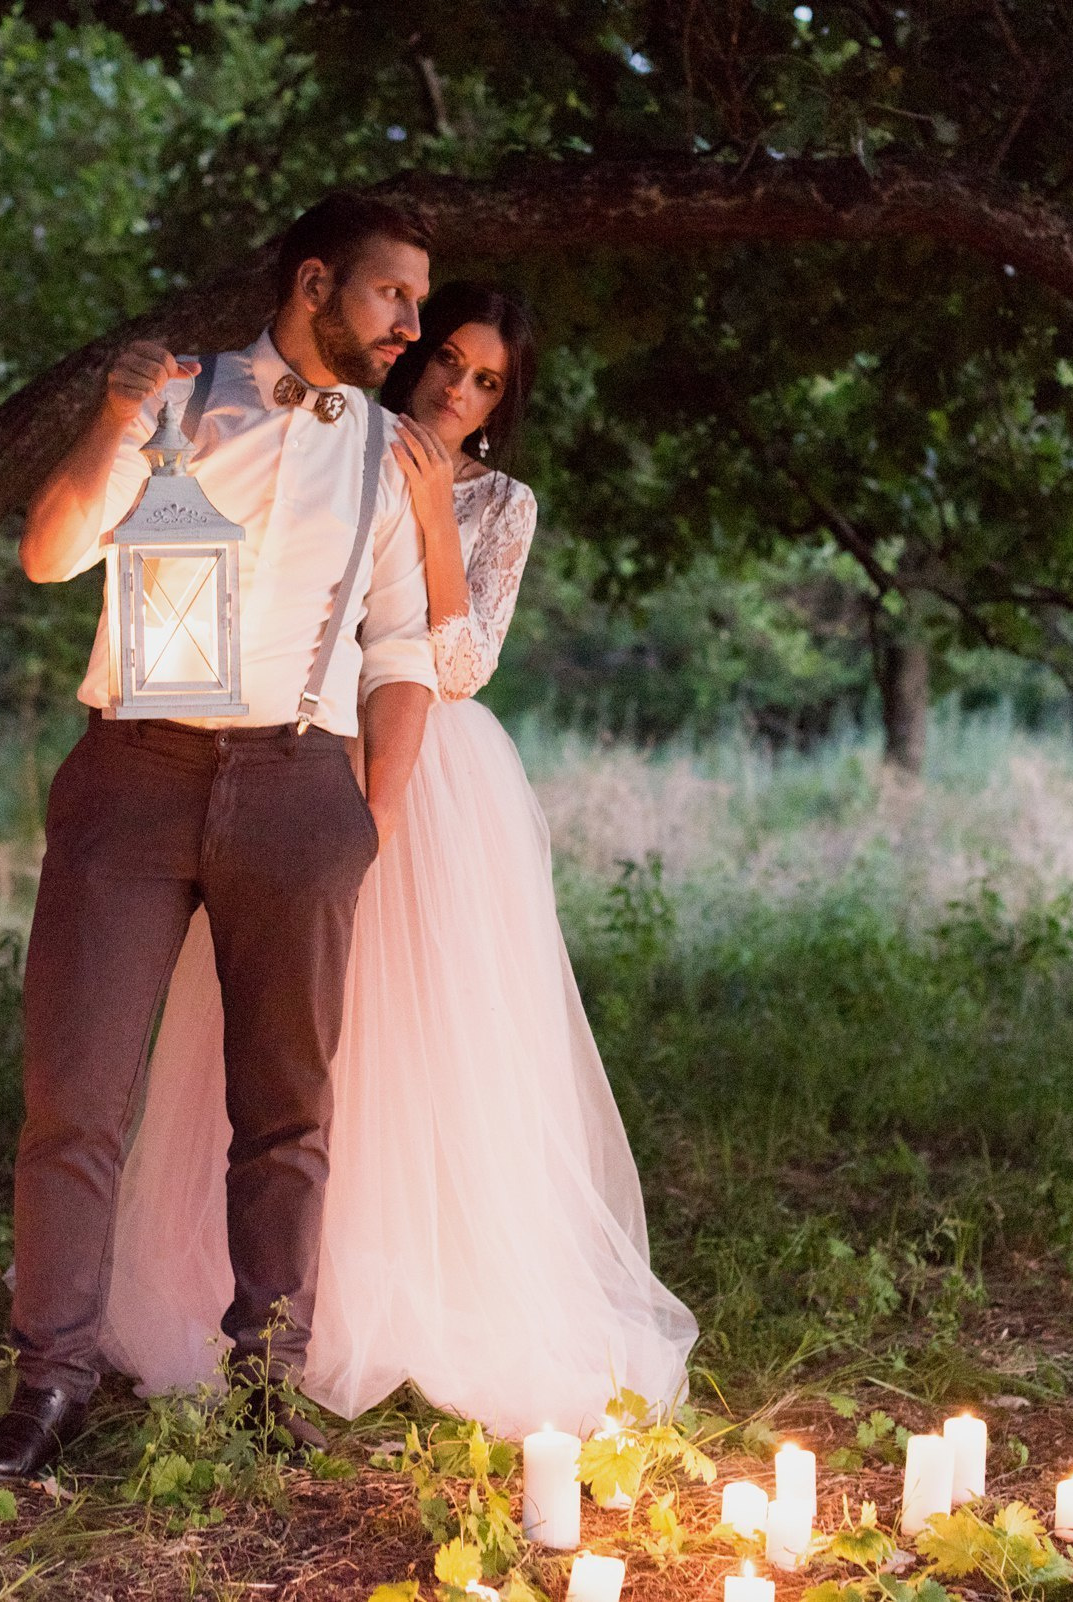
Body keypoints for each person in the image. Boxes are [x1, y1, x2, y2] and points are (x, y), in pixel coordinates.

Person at [101, 283, 698, 1439]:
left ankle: (413, 1290)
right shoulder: (337, 440)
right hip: (303, 742)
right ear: (413, 350)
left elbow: (465, 661)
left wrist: (433, 514)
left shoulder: (502, 502)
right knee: (283, 1030)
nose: (457, 391)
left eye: (486, 383)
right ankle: (259, 1295)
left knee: (424, 1033)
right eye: (448, 363)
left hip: (437, 779)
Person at [0, 193, 441, 1481]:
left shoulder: (390, 455)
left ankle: (265, 1383)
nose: (413, 324)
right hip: (131, 774)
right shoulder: (178, 398)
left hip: (299, 793)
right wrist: (117, 418)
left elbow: (401, 648)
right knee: (72, 1095)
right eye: (392, 295)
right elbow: (49, 553)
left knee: (288, 1112)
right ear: (313, 283)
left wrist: (371, 818)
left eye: (417, 301)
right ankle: (50, 1383)